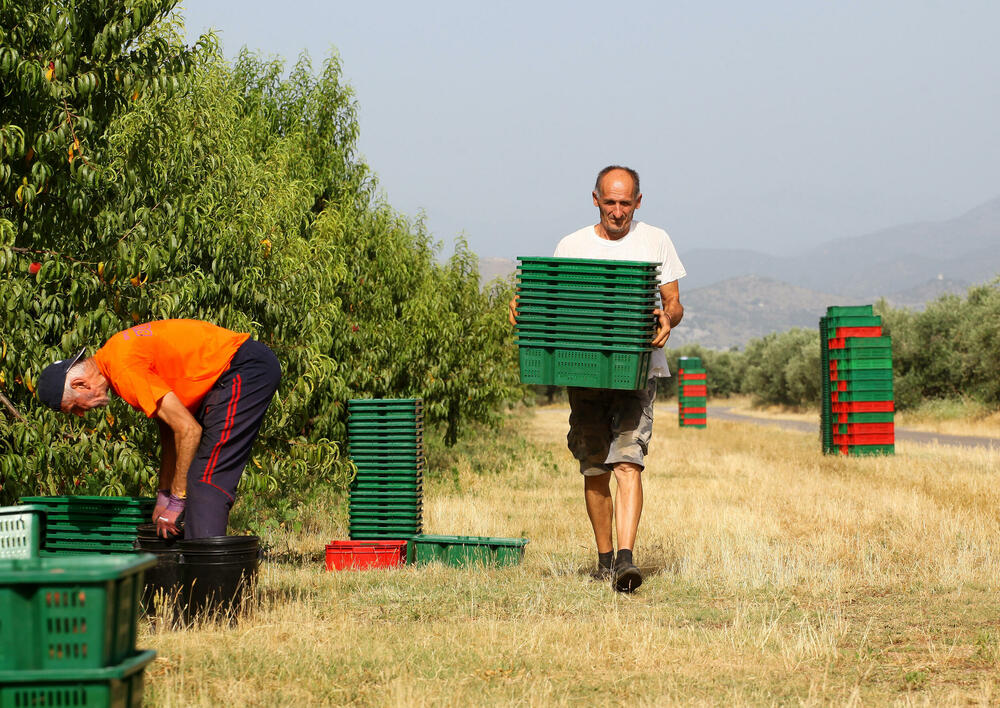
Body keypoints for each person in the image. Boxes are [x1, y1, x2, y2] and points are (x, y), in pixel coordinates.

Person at [509, 165, 685, 592]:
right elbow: (551, 303)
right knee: (594, 468)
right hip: (583, 371)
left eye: (626, 203)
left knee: (628, 460)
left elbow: (675, 304)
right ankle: (604, 559)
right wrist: (525, 307)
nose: (619, 211)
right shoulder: (571, 245)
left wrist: (668, 320)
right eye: (611, 202)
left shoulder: (655, 240)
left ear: (638, 203)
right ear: (595, 199)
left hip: (636, 371)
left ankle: (626, 560)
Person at [37, 319, 281, 539]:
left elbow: (188, 431)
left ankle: (208, 581)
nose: (80, 414)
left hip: (243, 368)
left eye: (73, 408)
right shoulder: (114, 358)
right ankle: (190, 566)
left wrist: (176, 500)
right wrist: (164, 493)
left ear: (80, 384)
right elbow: (169, 429)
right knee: (196, 478)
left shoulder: (123, 370)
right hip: (225, 376)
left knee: (205, 480)